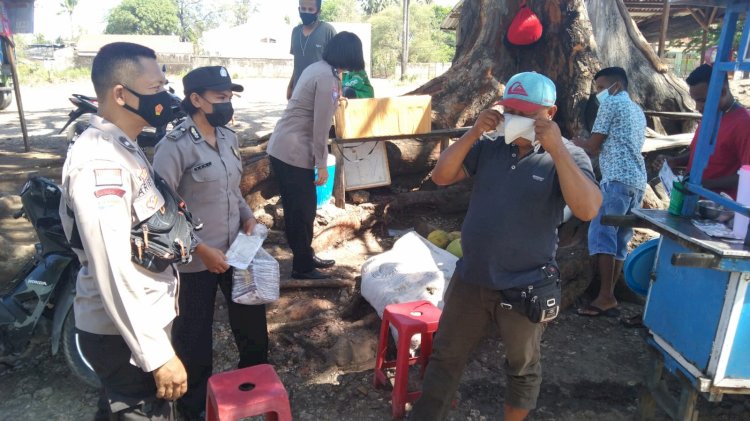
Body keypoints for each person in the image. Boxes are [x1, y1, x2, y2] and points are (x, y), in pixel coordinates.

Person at [410, 72, 602, 421]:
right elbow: (441, 176)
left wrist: (557, 149)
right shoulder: (489, 147)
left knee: (522, 367)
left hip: (526, 283)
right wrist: (473, 132)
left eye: (526, 113)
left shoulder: (569, 156)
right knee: (445, 357)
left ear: (550, 112)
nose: (516, 119)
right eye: (509, 109)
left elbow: (588, 208)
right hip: (472, 277)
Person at [59, 42, 188, 420]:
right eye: (155, 89)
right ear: (120, 94)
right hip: (122, 334)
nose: (165, 97)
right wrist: (157, 354)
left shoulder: (123, 146)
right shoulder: (101, 162)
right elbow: (112, 267)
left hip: (136, 322)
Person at [152, 66, 269, 420]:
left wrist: (248, 216)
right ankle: (195, 407)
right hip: (195, 261)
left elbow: (232, 190)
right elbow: (161, 209)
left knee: (253, 328)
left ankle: (252, 387)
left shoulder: (228, 137)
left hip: (238, 252)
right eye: (220, 97)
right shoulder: (174, 147)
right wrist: (200, 248)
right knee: (194, 338)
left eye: (230, 97)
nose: (227, 103)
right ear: (196, 100)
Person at [267, 31, 365, 280]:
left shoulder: (321, 69)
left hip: (288, 147)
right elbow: (320, 126)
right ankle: (302, 267)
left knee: (303, 209)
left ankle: (306, 255)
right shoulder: (326, 77)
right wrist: (322, 165)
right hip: (292, 150)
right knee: (301, 211)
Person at [572, 67, 647, 318]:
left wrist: (574, 143)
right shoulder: (637, 111)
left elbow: (593, 146)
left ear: (616, 86)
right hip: (636, 181)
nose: (598, 94)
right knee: (620, 239)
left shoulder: (611, 104)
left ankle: (604, 296)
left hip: (616, 180)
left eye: (601, 88)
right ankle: (611, 293)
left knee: (602, 235)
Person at [660, 64, 750, 199]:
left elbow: (746, 176)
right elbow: (697, 153)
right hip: (691, 203)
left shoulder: (744, 123)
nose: (697, 107)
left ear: (723, 92)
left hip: (719, 211)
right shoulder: (709, 118)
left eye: (702, 100)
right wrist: (675, 161)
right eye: (695, 100)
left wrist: (705, 184)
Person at [287, 0, 336, 100]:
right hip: (298, 92)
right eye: (303, 9)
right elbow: (298, 64)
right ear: (299, 9)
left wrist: (338, 91)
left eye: (310, 9)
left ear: (318, 11)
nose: (306, 12)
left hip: (321, 93)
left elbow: (337, 65)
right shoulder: (295, 32)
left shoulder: (328, 31)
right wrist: (291, 85)